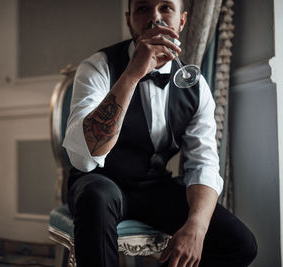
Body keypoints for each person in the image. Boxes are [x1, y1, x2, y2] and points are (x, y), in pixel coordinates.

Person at [62, 0, 258, 266]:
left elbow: (203, 163)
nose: (155, 18)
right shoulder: (98, 67)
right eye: (143, 9)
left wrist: (197, 227)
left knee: (240, 244)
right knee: (98, 195)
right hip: (99, 181)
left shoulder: (196, 85)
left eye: (166, 7)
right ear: (129, 19)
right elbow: (85, 159)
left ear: (182, 21)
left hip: (154, 186)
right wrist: (133, 73)